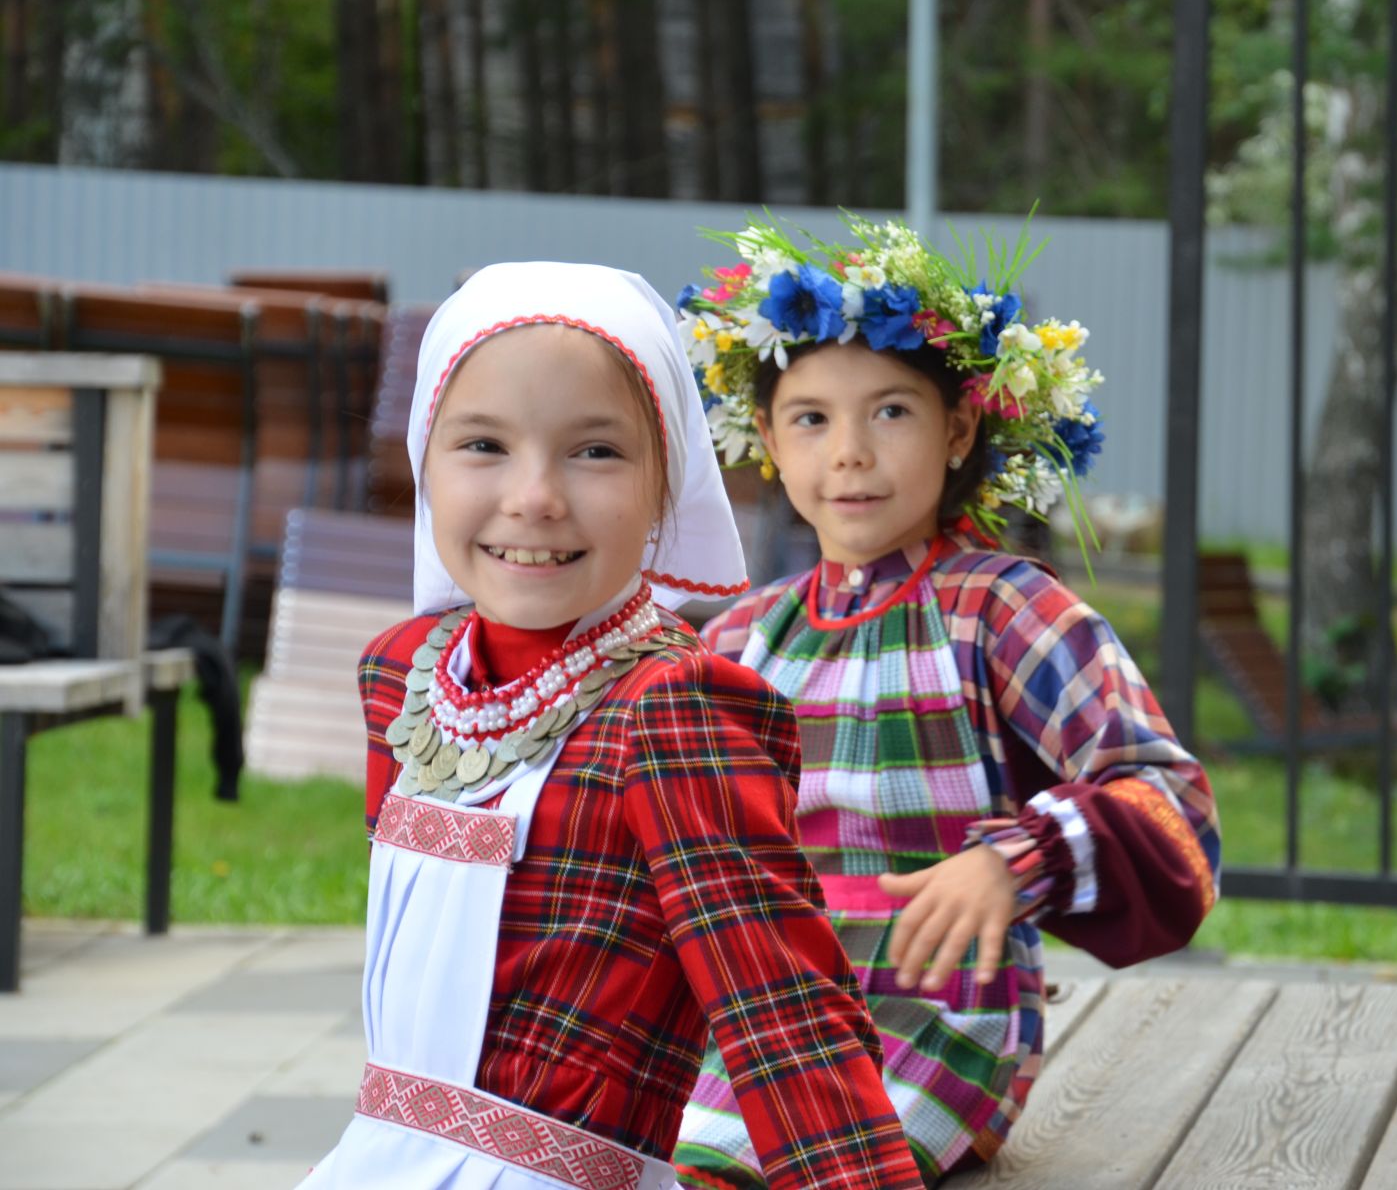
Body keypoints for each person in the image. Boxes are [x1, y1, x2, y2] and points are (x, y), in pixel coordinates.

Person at [303, 262, 921, 1190]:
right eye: (482, 445)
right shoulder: (403, 674)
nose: (535, 497)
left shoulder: (676, 708)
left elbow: (782, 1012)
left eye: (595, 452)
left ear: (666, 485)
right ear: (424, 464)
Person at [672, 219, 1221, 1186]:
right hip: (758, 1005)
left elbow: (1169, 799)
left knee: (809, 1165)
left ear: (958, 428)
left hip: (938, 1010)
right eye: (810, 419)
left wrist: (1016, 865)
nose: (849, 453)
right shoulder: (735, 640)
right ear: (765, 441)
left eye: (890, 412)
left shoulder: (1003, 609)